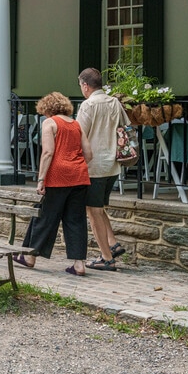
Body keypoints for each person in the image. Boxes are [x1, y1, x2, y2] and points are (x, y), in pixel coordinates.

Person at [16, 91, 92, 276]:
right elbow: (89, 154)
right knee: (76, 220)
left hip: (57, 176)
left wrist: (41, 179)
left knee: (45, 216)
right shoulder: (76, 124)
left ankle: (30, 256)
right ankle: (79, 264)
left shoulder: (49, 123)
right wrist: (76, 165)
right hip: (79, 175)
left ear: (47, 108)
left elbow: (48, 152)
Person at [77, 67, 129, 271]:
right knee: (99, 207)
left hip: (94, 165)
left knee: (93, 211)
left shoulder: (88, 105)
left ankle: (107, 258)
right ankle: (113, 243)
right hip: (113, 164)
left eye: (81, 85)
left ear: (85, 85)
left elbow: (79, 135)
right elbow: (125, 126)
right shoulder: (114, 102)